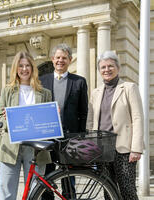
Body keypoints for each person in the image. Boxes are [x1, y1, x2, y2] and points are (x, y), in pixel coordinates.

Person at [87, 51, 144, 200]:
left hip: (124, 148)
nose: (107, 70)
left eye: (110, 66)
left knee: (127, 189)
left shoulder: (129, 88)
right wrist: (91, 146)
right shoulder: (95, 92)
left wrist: (136, 149)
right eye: (103, 67)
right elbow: (91, 121)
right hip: (102, 148)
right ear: (99, 70)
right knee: (108, 190)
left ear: (118, 68)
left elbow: (137, 118)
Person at [0, 51, 52, 200]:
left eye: (28, 65)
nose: (24, 69)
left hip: (35, 149)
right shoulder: (7, 90)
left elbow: (47, 121)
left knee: (34, 192)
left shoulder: (45, 92)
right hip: (10, 146)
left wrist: (52, 114)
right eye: (21, 66)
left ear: (33, 68)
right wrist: (9, 121)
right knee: (6, 192)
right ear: (16, 68)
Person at [39, 43, 88, 198]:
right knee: (47, 175)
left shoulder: (79, 82)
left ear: (70, 60)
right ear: (52, 59)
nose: (60, 60)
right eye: (58, 57)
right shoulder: (41, 80)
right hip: (47, 136)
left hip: (69, 138)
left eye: (64, 58)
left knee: (68, 177)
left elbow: (83, 111)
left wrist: (80, 137)